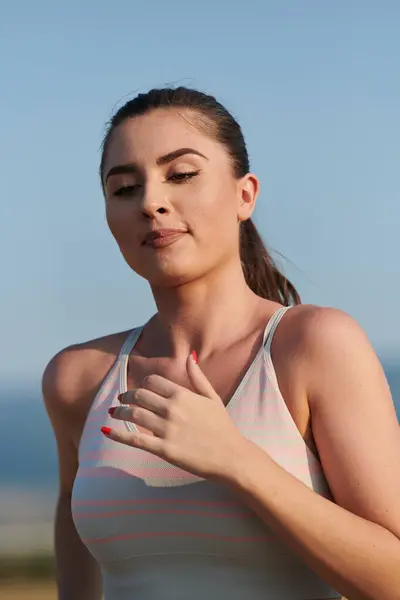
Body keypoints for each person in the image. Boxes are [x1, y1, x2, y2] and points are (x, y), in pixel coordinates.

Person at [43, 87, 400, 600]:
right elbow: (79, 569)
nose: (151, 202)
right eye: (124, 188)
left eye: (182, 175)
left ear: (244, 195)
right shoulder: (77, 378)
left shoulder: (313, 347)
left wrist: (237, 460)